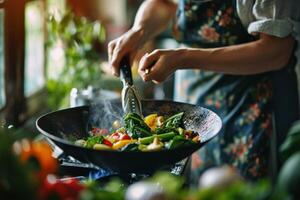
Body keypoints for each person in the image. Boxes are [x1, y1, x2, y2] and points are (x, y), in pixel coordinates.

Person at [108, 0, 300, 183]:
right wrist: (139, 31)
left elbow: (277, 50)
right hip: (194, 98)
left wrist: (183, 58)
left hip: (254, 101)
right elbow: (164, 4)